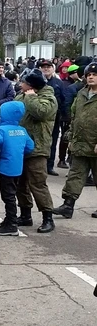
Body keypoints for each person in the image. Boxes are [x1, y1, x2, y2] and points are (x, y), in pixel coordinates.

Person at [14, 70, 58, 233]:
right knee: (20, 184)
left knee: (38, 183)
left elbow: (41, 113)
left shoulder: (48, 98)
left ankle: (48, 218)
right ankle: (25, 215)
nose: (20, 84)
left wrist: (31, 97)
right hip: (20, 146)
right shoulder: (21, 95)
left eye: (23, 82)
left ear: (31, 86)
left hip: (38, 146)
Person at [55, 63, 97, 219]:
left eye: (95, 74)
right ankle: (68, 205)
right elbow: (75, 117)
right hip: (80, 143)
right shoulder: (81, 94)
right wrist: (71, 137)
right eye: (89, 75)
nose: (91, 77)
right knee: (75, 175)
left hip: (95, 144)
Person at [0, 102, 34, 235]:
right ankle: (9, 219)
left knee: (8, 196)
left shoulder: (1, 130)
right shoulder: (22, 130)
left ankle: (11, 223)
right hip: (18, 168)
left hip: (5, 167)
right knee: (12, 194)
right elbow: (30, 147)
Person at [40, 59, 70, 175]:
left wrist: (64, 115)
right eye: (44, 67)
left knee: (52, 141)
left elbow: (63, 99)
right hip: (41, 117)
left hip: (55, 117)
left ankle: (49, 166)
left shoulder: (59, 83)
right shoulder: (38, 81)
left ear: (53, 68)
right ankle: (40, 165)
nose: (46, 69)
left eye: (48, 67)